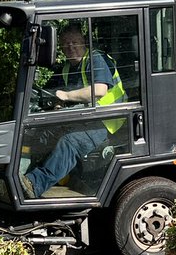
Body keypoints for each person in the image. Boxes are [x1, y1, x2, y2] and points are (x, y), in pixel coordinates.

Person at [22, 24, 126, 197]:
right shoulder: (67, 68)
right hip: (85, 117)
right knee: (43, 132)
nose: (70, 47)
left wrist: (66, 96)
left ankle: (34, 185)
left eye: (75, 42)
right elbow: (55, 93)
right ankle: (23, 175)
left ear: (84, 42)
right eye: (66, 43)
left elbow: (100, 90)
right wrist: (57, 104)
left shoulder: (95, 58)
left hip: (107, 120)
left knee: (70, 142)